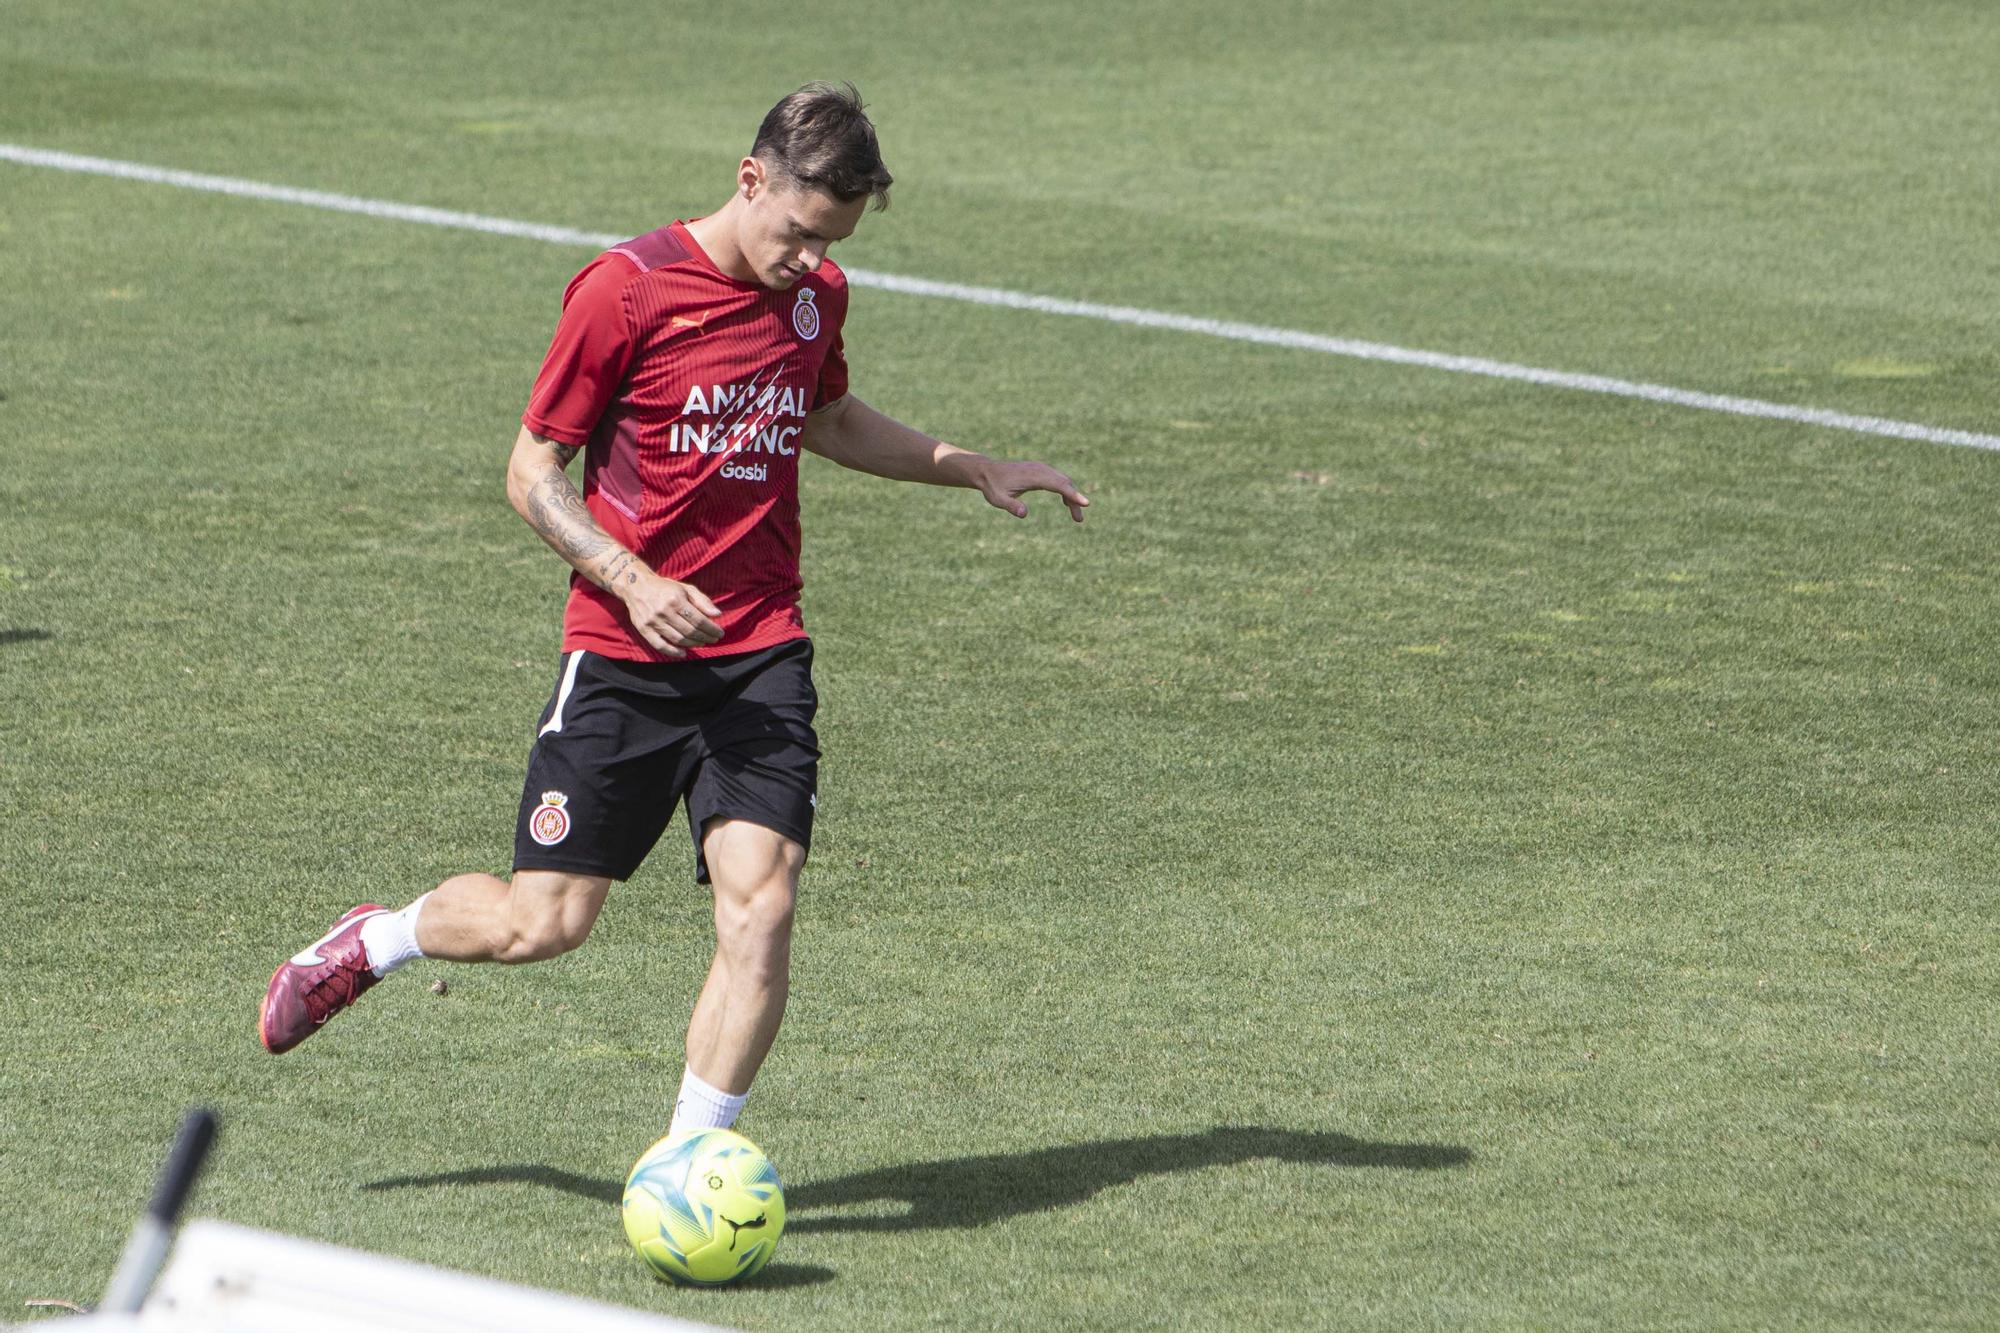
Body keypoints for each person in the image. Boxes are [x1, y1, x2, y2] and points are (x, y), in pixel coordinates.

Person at [258, 83, 1088, 1139]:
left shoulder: (814, 295)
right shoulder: (626, 289)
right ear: (750, 180)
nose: (811, 259)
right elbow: (528, 470)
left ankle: (690, 1157)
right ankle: (375, 941)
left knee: (763, 903)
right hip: (622, 653)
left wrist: (967, 465)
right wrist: (632, 579)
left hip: (759, 653)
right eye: (797, 232)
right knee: (543, 923)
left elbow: (826, 417)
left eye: (832, 241)